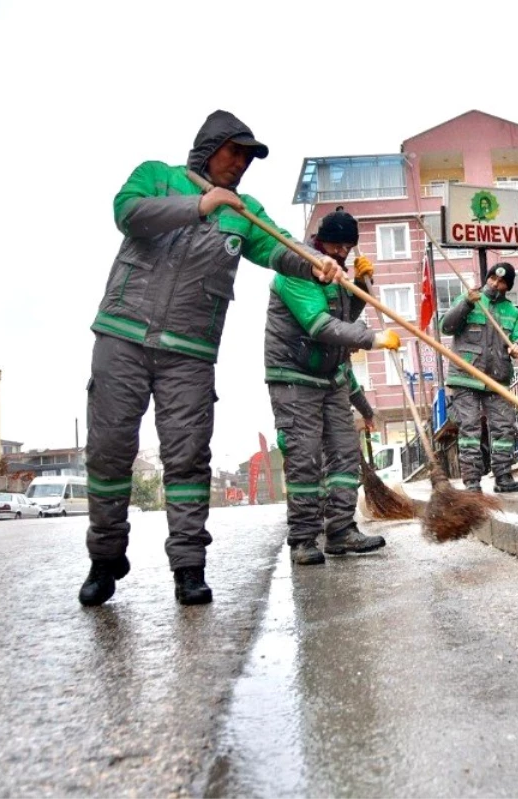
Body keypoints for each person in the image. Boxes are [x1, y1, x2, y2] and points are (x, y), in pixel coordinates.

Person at [79, 110, 342, 608]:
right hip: (122, 335)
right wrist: (200, 205)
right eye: (234, 151)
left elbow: (279, 250)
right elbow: (128, 213)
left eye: (248, 157)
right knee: (109, 451)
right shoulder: (156, 176)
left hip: (191, 353)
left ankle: (188, 568)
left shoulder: (244, 211)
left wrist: (316, 262)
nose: (241, 163)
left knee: (188, 459)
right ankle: (105, 557)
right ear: (209, 147)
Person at [265, 209, 400, 566]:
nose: (342, 251)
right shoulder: (296, 270)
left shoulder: (337, 273)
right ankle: (304, 539)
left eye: (348, 246)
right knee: (306, 458)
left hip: (331, 376)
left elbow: (344, 319)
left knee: (344, 453)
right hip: (294, 377)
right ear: (320, 240)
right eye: (337, 244)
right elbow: (320, 325)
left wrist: (358, 287)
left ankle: (341, 531)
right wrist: (373, 338)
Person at [440, 262, 518, 493]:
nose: (495, 285)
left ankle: (503, 478)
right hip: (466, 376)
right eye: (492, 279)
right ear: (487, 278)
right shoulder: (470, 299)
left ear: (507, 287)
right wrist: (467, 303)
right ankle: (472, 482)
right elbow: (446, 327)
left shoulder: (511, 311)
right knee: (470, 429)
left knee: (504, 428)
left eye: (501, 283)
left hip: (497, 378)